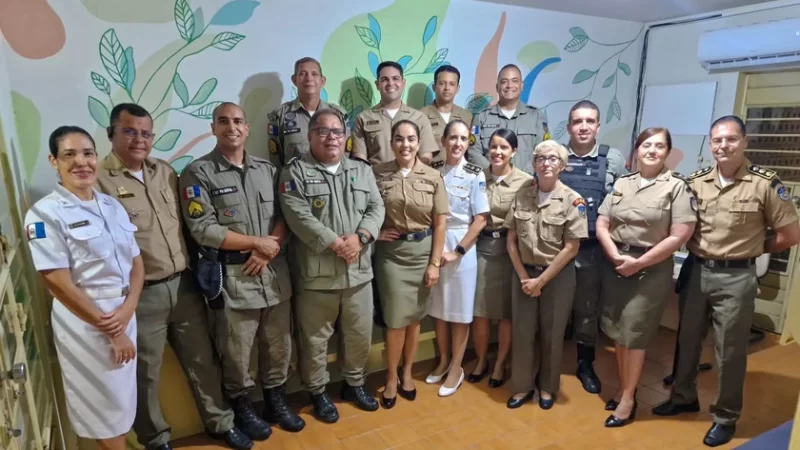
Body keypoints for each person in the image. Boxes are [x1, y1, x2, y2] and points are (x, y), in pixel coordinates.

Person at [95, 104, 252, 450]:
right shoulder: (98, 182)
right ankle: (156, 440)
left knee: (203, 361)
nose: (139, 139)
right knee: (146, 374)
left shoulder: (165, 172)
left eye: (145, 133)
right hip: (140, 296)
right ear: (111, 134)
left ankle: (220, 423)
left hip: (184, 286)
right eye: (129, 131)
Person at [652, 115, 800, 447]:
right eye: (717, 140)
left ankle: (725, 417)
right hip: (697, 271)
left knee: (729, 351)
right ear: (710, 144)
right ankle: (683, 397)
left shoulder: (764, 184)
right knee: (687, 339)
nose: (723, 146)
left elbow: (791, 235)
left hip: (736, 277)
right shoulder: (696, 182)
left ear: (744, 141)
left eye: (731, 139)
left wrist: (754, 249)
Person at [179, 103, 303, 440]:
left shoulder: (267, 169)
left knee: (278, 346)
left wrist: (267, 248)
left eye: (237, 121)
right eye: (223, 121)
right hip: (234, 280)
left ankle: (276, 402)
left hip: (273, 275)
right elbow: (203, 229)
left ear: (247, 128)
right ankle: (242, 408)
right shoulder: (198, 173)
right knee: (237, 353)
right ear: (213, 128)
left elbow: (286, 214)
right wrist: (256, 244)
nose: (231, 127)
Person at [25, 126, 143, 450]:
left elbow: (136, 262)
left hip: (123, 313)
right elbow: (56, 281)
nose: (81, 162)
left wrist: (129, 307)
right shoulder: (44, 214)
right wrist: (112, 330)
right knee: (103, 406)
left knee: (121, 401)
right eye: (69, 155)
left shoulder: (111, 205)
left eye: (88, 153)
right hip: (87, 325)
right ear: (54, 161)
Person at [278, 109, 385, 422]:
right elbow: (297, 214)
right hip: (317, 275)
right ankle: (318, 392)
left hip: (358, 273)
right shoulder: (295, 172)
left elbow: (377, 207)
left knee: (359, 334)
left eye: (337, 131)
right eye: (323, 131)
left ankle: (355, 384)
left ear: (346, 136)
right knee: (314, 340)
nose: (331, 138)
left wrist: (361, 237)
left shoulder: (361, 170)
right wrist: (335, 243)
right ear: (310, 135)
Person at [594, 127, 697, 428]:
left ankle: (628, 399)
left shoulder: (676, 187)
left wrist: (638, 263)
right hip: (616, 265)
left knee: (635, 334)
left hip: (649, 270)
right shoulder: (623, 183)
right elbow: (602, 222)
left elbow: (680, 235)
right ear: (636, 150)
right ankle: (624, 387)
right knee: (619, 332)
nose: (652, 151)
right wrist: (615, 255)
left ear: (667, 152)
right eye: (646, 145)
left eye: (659, 146)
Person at [505, 140, 588, 410]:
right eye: (540, 158)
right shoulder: (522, 195)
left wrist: (540, 281)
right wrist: (524, 278)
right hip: (524, 274)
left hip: (557, 277)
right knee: (523, 333)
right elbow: (511, 241)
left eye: (553, 159)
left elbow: (572, 247)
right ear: (533, 163)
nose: (546, 163)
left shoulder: (573, 200)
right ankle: (522, 386)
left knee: (552, 335)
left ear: (562, 165)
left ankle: (547, 387)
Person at [373, 120, 448, 408]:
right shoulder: (377, 173)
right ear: (391, 142)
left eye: (411, 139)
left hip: (422, 253)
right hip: (391, 256)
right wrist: (376, 233)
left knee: (415, 318)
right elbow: (365, 211)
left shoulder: (432, 176)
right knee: (395, 321)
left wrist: (435, 263)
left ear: (419, 142)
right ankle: (391, 377)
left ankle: (407, 373)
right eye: (399, 139)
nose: (405, 144)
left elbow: (440, 224)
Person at [559, 100, 627, 395]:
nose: (583, 126)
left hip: (591, 249)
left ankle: (585, 363)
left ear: (598, 126)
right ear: (568, 127)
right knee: (553, 308)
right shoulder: (555, 156)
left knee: (587, 310)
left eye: (590, 121)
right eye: (578, 121)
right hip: (557, 248)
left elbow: (622, 202)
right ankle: (546, 362)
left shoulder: (612, 159)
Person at [425, 120, 489, 397]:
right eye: (453, 138)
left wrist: (458, 250)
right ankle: (443, 360)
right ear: (443, 141)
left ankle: (456, 367)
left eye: (463, 138)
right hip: (436, 243)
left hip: (462, 246)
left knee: (460, 312)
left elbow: (481, 219)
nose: (458, 143)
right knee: (439, 308)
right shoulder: (433, 171)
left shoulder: (475, 174)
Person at [470, 129, 532, 387]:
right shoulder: (477, 177)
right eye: (494, 146)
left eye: (504, 147)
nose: (497, 152)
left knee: (506, 313)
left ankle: (500, 364)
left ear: (513, 151)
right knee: (480, 311)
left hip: (510, 252)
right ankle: (481, 360)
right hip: (481, 248)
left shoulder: (526, 182)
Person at [466, 64, 549, 175]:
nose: (509, 86)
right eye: (504, 81)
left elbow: (543, 150)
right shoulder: (481, 117)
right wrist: (494, 173)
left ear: (522, 86)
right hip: (490, 182)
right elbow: (473, 152)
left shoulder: (536, 116)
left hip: (526, 182)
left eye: (515, 81)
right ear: (497, 87)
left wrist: (522, 176)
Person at [351, 61, 438, 165]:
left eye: (395, 78)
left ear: (403, 83)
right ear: (377, 85)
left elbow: (426, 156)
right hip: (375, 175)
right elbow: (360, 159)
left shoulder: (419, 118)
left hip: (411, 175)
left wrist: (406, 172)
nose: (390, 83)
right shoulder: (363, 118)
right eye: (384, 79)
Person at [267, 57, 348, 167]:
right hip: (295, 177)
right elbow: (276, 163)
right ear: (294, 80)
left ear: (322, 81)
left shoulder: (339, 115)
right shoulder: (280, 116)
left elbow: (346, 157)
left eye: (314, 74)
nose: (309, 78)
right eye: (302, 74)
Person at [418, 65, 473, 165]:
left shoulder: (467, 117)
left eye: (452, 84)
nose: (447, 88)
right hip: (432, 171)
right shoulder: (420, 116)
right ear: (434, 87)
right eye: (442, 83)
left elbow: (472, 150)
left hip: (460, 172)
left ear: (457, 88)